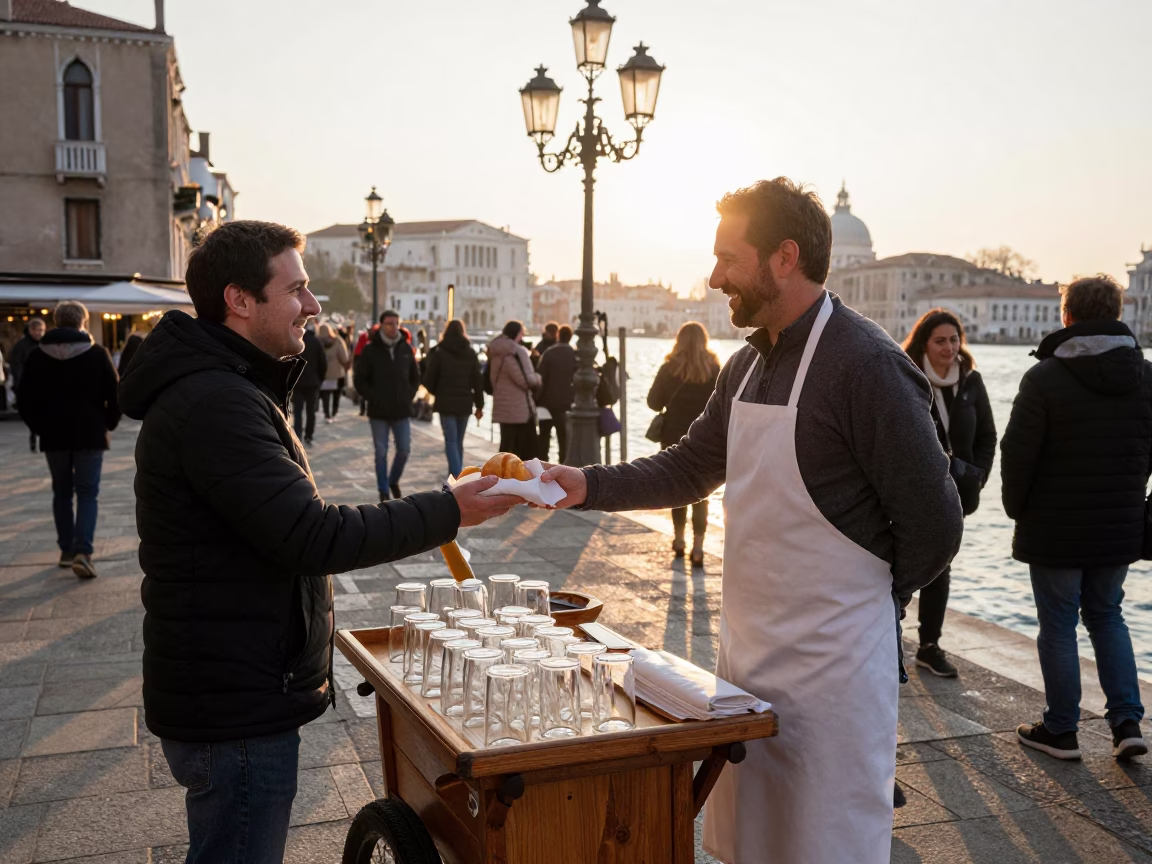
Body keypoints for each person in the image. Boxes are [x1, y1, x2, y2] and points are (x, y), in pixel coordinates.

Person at [540, 178, 962, 864]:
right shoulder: (742, 366)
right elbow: (688, 468)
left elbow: (936, 523)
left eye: (728, 258)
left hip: (836, 675)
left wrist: (872, 606)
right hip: (748, 665)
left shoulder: (868, 367)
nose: (714, 277)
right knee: (751, 847)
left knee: (826, 847)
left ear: (784, 258)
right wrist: (581, 483)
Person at [117, 220, 521, 862]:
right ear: (240, 301)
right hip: (234, 700)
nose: (313, 304)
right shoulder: (218, 402)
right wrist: (449, 511)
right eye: (298, 289)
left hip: (228, 682)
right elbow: (311, 534)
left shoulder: (227, 387)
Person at [1002, 275, 1150, 762]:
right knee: (1108, 614)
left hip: (1054, 525)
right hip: (1120, 523)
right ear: (1117, 312)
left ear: (1067, 316)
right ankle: (1126, 723)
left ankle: (1061, 729)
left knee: (1059, 624)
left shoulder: (1044, 378)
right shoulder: (1145, 376)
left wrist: (1016, 509)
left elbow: (1018, 455)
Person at [901, 309, 996, 678]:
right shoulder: (906, 376)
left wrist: (979, 475)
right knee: (899, 566)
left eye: (954, 339)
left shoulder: (971, 381)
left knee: (942, 566)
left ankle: (929, 646)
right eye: (941, 340)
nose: (949, 347)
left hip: (957, 492)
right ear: (924, 342)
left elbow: (987, 435)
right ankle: (888, 635)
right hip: (911, 489)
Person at [17, 301, 121, 578]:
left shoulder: (37, 356)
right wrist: (107, 423)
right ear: (83, 323)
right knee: (88, 493)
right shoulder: (98, 353)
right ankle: (83, 552)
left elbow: (24, 399)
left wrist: (39, 426)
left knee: (62, 492)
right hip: (90, 433)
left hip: (53, 434)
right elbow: (116, 393)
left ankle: (66, 550)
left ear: (56, 322)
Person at [646, 321, 721, 568]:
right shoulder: (714, 369)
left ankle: (679, 540)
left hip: (673, 437)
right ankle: (698, 546)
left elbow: (653, 402)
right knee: (703, 493)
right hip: (706, 438)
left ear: (679, 341)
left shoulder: (669, 369)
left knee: (678, 489)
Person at [355, 310, 420, 500]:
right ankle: (383, 489)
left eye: (396, 323)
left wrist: (409, 395)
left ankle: (393, 479)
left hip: (402, 409)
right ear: (381, 325)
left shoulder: (405, 348)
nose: (393, 327)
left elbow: (415, 377)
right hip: (379, 411)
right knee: (381, 452)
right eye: (389, 324)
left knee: (404, 449)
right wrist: (372, 397)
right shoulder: (370, 349)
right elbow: (360, 379)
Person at [422, 319, 484, 478]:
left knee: (451, 441)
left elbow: (428, 380)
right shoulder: (470, 353)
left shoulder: (440, 353)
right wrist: (479, 405)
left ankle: (456, 476)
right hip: (464, 402)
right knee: (458, 442)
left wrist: (439, 392)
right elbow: (477, 381)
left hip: (445, 403)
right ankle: (458, 475)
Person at [489, 320, 541, 460]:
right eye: (522, 333)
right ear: (517, 334)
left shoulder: (496, 351)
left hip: (503, 405)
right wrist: (538, 378)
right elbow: (526, 380)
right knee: (521, 450)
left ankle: (501, 477)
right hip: (519, 408)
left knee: (506, 447)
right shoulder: (516, 352)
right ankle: (515, 479)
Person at [536, 324, 576, 463]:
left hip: (546, 404)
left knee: (544, 438)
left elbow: (540, 379)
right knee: (563, 439)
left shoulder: (549, 353)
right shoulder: (575, 355)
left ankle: (542, 468)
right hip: (566, 404)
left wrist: (536, 400)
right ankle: (563, 467)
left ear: (558, 335)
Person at [9, 317, 46, 451]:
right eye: (36, 330)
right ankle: (34, 435)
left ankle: (41, 436)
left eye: (41, 330)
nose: (39, 333)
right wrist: (20, 383)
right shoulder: (21, 346)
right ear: (30, 330)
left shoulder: (46, 344)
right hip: (28, 384)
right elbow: (16, 365)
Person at [291, 320, 326, 444]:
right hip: (313, 383)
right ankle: (309, 435)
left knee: (298, 411)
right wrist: (320, 379)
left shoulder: (295, 340)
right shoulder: (317, 342)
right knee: (311, 411)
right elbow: (323, 363)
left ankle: (298, 434)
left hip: (298, 382)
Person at [318, 321, 350, 423]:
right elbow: (344, 358)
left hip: (324, 374)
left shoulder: (317, 342)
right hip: (337, 374)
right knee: (336, 395)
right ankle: (334, 412)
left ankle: (327, 414)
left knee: (325, 395)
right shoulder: (337, 341)